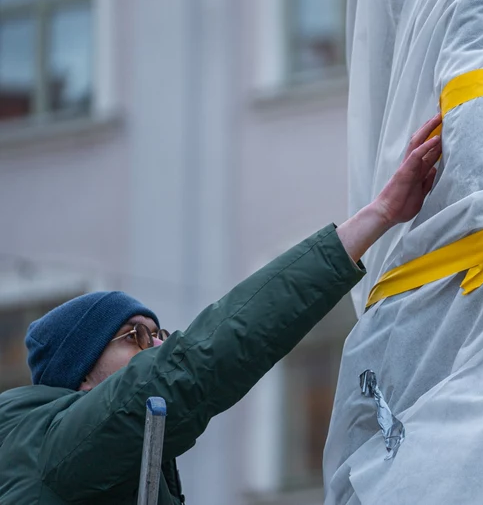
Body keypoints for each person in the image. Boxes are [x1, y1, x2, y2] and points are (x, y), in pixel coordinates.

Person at [0, 115, 442, 505]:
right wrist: (379, 214)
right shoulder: (53, 448)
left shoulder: (111, 469)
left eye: (160, 336)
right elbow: (194, 364)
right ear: (79, 375)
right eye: (135, 336)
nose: (157, 346)